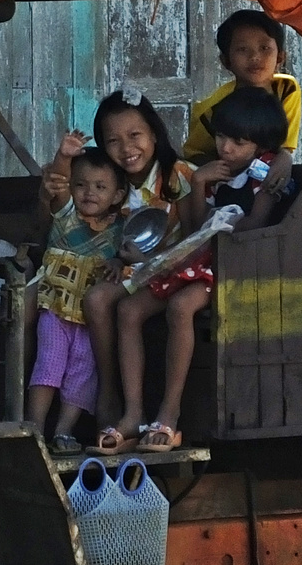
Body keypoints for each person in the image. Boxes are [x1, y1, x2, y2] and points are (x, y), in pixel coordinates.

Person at [112, 87, 290, 453]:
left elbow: (253, 227)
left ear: (260, 143)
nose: (225, 147)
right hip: (199, 261)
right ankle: (132, 414)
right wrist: (198, 184)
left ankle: (170, 413)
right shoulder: (218, 170)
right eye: (221, 136)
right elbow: (194, 229)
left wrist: (217, 227)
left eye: (237, 141)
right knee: (129, 309)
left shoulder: (265, 173)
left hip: (235, 266)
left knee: (181, 308)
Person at [43, 91, 197, 454]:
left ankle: (157, 411)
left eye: (135, 135)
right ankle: (112, 398)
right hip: (137, 273)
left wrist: (158, 255)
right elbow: (97, 228)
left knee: (126, 308)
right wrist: (117, 259)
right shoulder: (116, 183)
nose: (126, 148)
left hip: (176, 271)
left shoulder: (178, 175)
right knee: (96, 298)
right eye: (112, 140)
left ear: (154, 134)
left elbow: (194, 237)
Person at [27, 147, 130, 454]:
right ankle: (33, 429)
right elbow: (57, 182)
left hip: (90, 321)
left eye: (100, 187)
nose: (89, 193)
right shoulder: (66, 215)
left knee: (82, 374)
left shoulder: (120, 228)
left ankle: (63, 432)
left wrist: (117, 262)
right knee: (49, 364)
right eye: (81, 184)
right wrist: (63, 155)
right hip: (55, 310)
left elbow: (127, 259)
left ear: (117, 195)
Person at [182, 9, 300, 195]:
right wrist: (225, 170)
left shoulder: (287, 90)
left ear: (280, 57)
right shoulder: (210, 110)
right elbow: (193, 155)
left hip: (265, 184)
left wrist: (285, 157)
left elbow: (284, 146)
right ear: (225, 61)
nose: (255, 57)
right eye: (242, 49)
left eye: (264, 48)